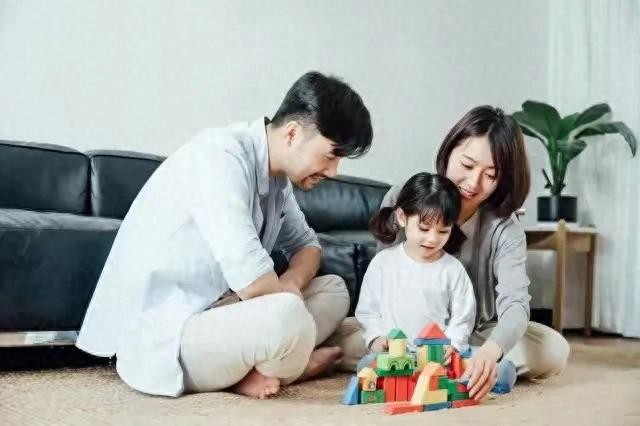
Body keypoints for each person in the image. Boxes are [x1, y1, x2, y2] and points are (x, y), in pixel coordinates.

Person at [75, 71, 373, 398]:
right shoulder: (219, 157)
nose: (334, 171)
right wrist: (286, 300)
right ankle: (293, 367)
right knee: (288, 317)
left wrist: (292, 283)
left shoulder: (277, 179)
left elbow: (307, 247)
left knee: (334, 290)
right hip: (173, 330)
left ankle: (264, 364)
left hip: (224, 312)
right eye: (331, 155)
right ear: (292, 133)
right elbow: (254, 281)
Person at [331, 105, 570, 401]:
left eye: (490, 175)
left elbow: (515, 303)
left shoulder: (504, 228)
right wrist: (383, 340)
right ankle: (447, 368)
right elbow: (382, 285)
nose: (473, 183)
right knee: (341, 337)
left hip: (472, 333)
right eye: (467, 165)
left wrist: (489, 353)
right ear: (449, 151)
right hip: (399, 333)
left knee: (552, 350)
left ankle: (463, 366)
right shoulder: (404, 197)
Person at [355, 172, 475, 360]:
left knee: (487, 367)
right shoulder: (383, 263)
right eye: (424, 229)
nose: (432, 239)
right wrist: (376, 338)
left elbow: (463, 317)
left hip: (435, 355)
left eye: (443, 231)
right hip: (393, 355)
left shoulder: (453, 269)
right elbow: (367, 311)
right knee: (366, 366)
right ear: (402, 217)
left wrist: (452, 344)